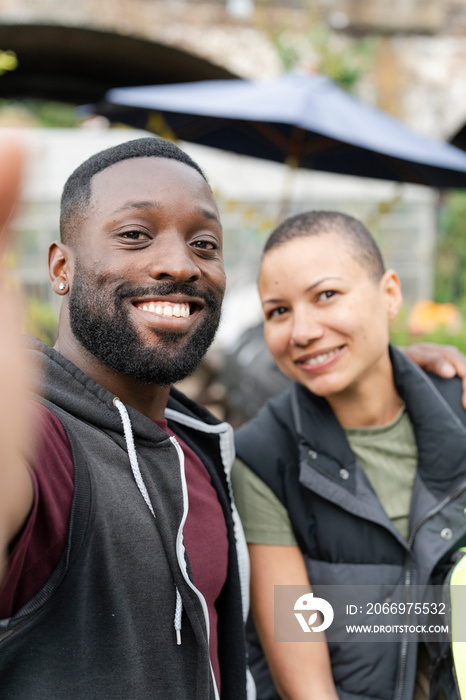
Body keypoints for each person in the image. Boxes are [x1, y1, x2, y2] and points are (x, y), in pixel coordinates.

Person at [0, 136, 252, 700]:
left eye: (205, 243)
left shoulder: (200, 450)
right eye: (135, 235)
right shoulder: (43, 443)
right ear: (61, 266)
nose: (179, 265)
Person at [233, 210, 466, 700]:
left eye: (326, 296)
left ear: (390, 294)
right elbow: (307, 681)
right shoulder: (263, 459)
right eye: (278, 311)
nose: (301, 331)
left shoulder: (459, 411)